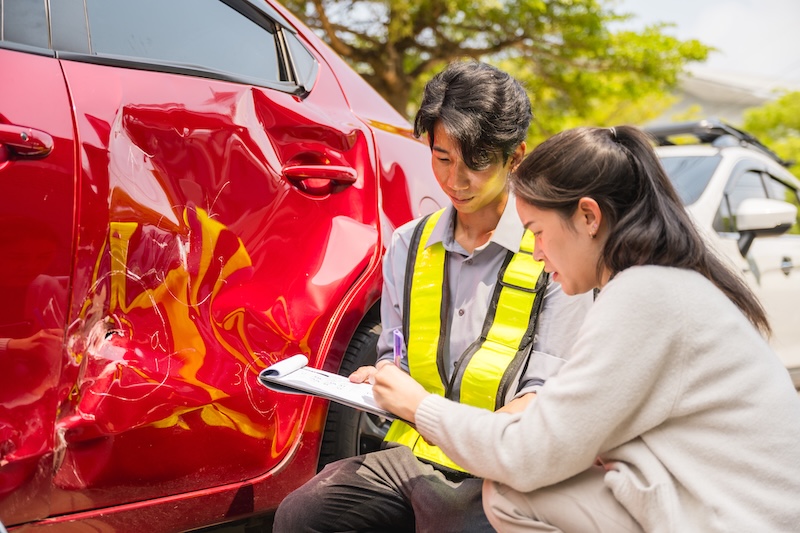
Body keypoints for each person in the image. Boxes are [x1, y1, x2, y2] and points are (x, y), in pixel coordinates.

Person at [372, 125, 800, 532]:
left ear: (589, 217)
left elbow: (526, 455)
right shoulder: (661, 284)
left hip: (738, 518)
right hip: (726, 503)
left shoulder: (643, 296)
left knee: (511, 490)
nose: (536, 253)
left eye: (538, 232)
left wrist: (419, 407)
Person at [273, 61, 593, 532]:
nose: (456, 180)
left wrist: (442, 420)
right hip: (413, 459)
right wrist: (379, 377)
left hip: (503, 470)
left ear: (516, 155)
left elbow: (550, 398)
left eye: (476, 161)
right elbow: (396, 357)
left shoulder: (554, 250)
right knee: (303, 515)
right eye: (442, 159)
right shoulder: (408, 244)